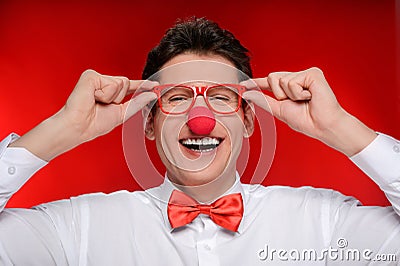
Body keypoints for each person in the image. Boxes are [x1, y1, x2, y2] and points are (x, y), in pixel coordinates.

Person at [0, 17, 399, 266]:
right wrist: (61, 129)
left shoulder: (324, 224)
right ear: (149, 123)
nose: (200, 120)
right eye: (176, 98)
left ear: (247, 119)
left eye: (221, 97)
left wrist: (339, 127)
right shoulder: (78, 229)